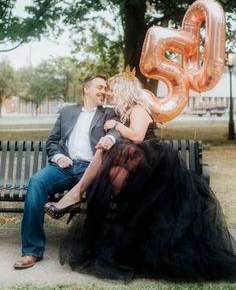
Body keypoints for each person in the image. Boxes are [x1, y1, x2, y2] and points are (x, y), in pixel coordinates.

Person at [46, 67, 236, 281]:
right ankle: (104, 212)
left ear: (124, 91)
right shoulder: (124, 111)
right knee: (112, 163)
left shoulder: (138, 109)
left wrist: (116, 126)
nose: (109, 94)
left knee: (106, 149)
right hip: (138, 164)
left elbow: (136, 136)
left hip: (153, 162)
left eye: (112, 90)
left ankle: (76, 193)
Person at [13, 75, 120, 269]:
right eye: (99, 87)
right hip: (65, 167)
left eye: (105, 88)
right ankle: (31, 250)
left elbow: (116, 132)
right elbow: (52, 141)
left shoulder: (109, 113)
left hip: (92, 169)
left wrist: (110, 139)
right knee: (37, 182)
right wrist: (59, 157)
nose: (104, 91)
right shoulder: (67, 112)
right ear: (86, 89)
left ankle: (92, 250)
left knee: (101, 192)